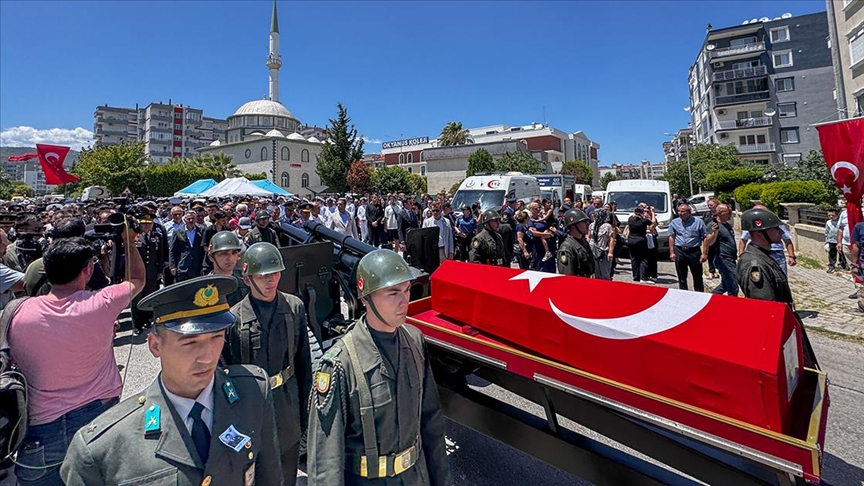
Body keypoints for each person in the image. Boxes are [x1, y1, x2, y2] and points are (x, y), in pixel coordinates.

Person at [60, 275, 283, 485]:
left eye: (216, 337)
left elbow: (270, 477)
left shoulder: (253, 392)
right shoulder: (103, 448)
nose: (207, 357)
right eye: (190, 342)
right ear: (155, 345)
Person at [9, 226, 144, 485]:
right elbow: (137, 279)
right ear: (88, 271)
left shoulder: (16, 312)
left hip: (39, 427)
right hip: (97, 416)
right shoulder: (102, 303)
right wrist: (129, 241)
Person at [306, 250, 451, 485]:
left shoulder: (414, 341)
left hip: (416, 477)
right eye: (393, 293)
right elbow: (325, 459)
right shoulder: (340, 364)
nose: (404, 301)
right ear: (366, 299)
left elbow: (431, 422)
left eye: (406, 290)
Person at [222, 242, 312, 484]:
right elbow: (225, 375)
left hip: (287, 404)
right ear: (247, 277)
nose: (270, 280)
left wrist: (306, 412)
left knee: (287, 470)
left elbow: (304, 364)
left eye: (274, 273)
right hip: (251, 407)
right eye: (262, 275)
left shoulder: (294, 308)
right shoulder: (233, 319)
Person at [736, 208, 794, 305]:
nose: (781, 232)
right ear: (758, 233)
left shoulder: (764, 256)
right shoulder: (754, 264)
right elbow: (765, 304)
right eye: (775, 228)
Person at [131, 212, 166, 335]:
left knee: (148, 297)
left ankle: (147, 319)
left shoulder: (157, 236)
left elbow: (160, 255)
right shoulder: (134, 236)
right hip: (137, 273)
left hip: (152, 272)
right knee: (137, 299)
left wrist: (160, 271)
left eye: (149, 224)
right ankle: (137, 324)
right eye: (144, 224)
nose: (146, 226)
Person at [668, 203, 708, 292]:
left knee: (697, 276)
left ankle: (699, 296)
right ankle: (684, 295)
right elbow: (671, 237)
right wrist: (672, 252)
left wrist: (704, 253)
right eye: (679, 211)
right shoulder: (675, 222)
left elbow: (705, 238)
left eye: (682, 211)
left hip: (694, 251)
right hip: (680, 250)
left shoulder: (698, 222)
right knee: (682, 277)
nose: (680, 213)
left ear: (689, 212)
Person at [701, 203, 738, 296]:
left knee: (725, 285)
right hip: (723, 259)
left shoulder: (727, 225)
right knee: (733, 285)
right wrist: (715, 233)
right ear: (720, 213)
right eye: (728, 213)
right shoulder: (713, 226)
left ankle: (711, 297)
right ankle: (733, 306)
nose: (730, 215)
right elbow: (708, 242)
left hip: (731, 258)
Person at [207, 231, 249, 306]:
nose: (230, 258)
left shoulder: (245, 286)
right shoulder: (203, 289)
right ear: (211, 257)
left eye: (234, 253)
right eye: (224, 253)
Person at [557, 209, 595, 277]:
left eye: (587, 221)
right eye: (583, 221)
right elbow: (567, 276)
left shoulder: (583, 242)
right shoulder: (566, 248)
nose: (587, 224)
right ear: (573, 226)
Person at [169, 210, 205, 282]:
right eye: (188, 219)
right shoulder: (177, 232)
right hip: (183, 266)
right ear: (184, 219)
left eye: (193, 218)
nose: (191, 220)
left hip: (197, 267)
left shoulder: (202, 231)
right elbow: (172, 250)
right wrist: (172, 266)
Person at [626, 206, 656, 283]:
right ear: (642, 213)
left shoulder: (630, 219)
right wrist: (652, 213)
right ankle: (643, 277)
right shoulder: (643, 221)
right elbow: (653, 222)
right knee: (644, 259)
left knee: (634, 259)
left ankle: (636, 277)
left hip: (631, 240)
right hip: (640, 240)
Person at [587, 208, 615, 280]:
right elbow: (588, 236)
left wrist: (610, 252)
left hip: (603, 250)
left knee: (605, 272)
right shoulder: (591, 225)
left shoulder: (608, 226)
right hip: (592, 250)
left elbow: (612, 239)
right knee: (594, 272)